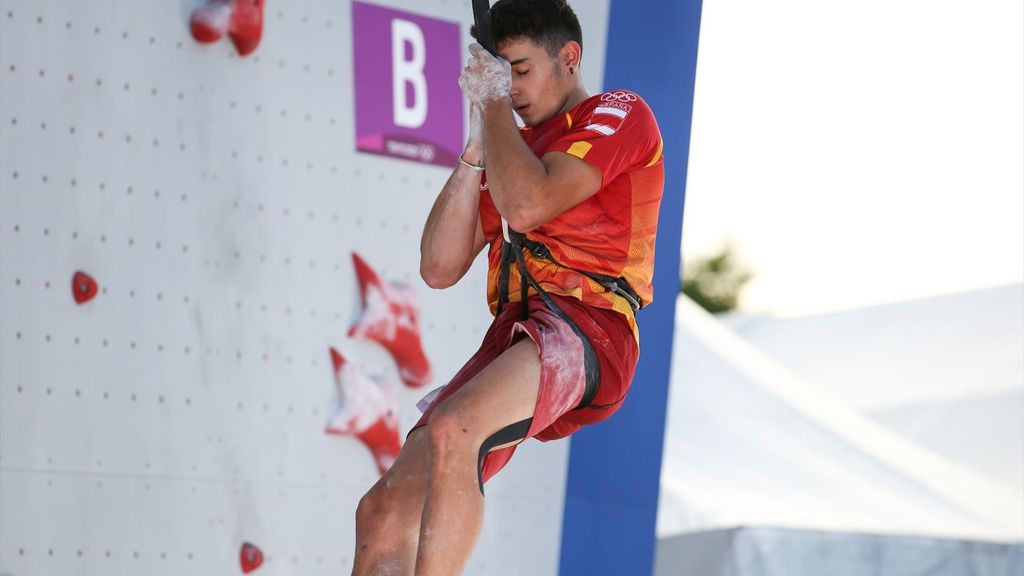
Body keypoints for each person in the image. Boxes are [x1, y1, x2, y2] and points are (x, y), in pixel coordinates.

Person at [352, 0, 664, 573]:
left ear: (568, 59)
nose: (510, 88)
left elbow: (527, 204)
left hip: (591, 329)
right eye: (500, 75)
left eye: (520, 70)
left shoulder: (618, 112)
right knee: (382, 512)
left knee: (456, 428)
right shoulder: (504, 146)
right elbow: (439, 267)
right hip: (517, 336)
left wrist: (495, 106)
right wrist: (476, 147)